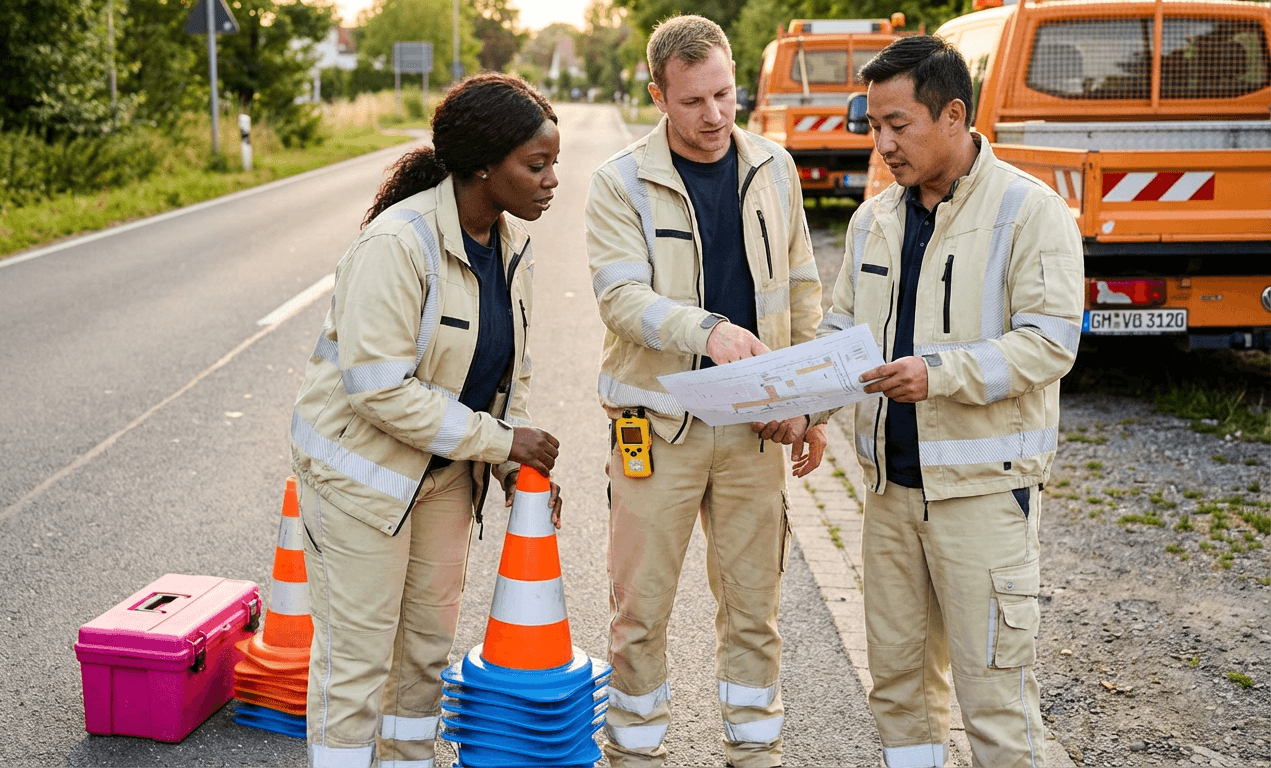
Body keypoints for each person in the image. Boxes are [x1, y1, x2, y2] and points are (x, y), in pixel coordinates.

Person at [817, 35, 1084, 768]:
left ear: (954, 115)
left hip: (984, 500)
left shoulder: (1031, 212)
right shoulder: (875, 219)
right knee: (900, 691)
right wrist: (798, 403)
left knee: (995, 703)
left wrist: (939, 374)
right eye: (873, 126)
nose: (882, 144)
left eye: (897, 125)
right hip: (890, 499)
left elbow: (1050, 343)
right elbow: (842, 332)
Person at [288, 73, 564, 768]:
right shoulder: (397, 245)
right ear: (481, 166)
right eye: (537, 165)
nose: (552, 180)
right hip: (360, 482)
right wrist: (503, 440)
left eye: (553, 162)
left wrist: (509, 461)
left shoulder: (511, 248)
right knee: (357, 664)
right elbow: (379, 390)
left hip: (443, 481)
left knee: (423, 657)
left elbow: (507, 379)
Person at [584, 16, 826, 768]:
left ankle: (756, 754)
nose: (716, 115)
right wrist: (709, 331)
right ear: (658, 95)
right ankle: (635, 755)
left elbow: (805, 291)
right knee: (640, 612)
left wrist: (810, 401)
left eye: (725, 93)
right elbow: (620, 298)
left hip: (757, 429)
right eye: (693, 101)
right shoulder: (617, 182)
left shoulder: (775, 168)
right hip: (658, 432)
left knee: (756, 610)